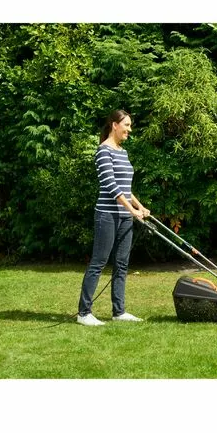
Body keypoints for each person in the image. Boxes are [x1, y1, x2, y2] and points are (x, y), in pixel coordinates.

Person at [77, 110, 150, 326]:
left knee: (121, 264)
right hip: (107, 216)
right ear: (114, 125)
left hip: (125, 216)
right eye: (126, 125)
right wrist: (132, 210)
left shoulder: (123, 152)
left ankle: (119, 311)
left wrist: (139, 206)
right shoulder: (103, 151)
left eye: (130, 125)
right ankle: (84, 313)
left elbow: (125, 188)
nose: (129, 129)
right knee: (98, 262)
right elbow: (110, 185)